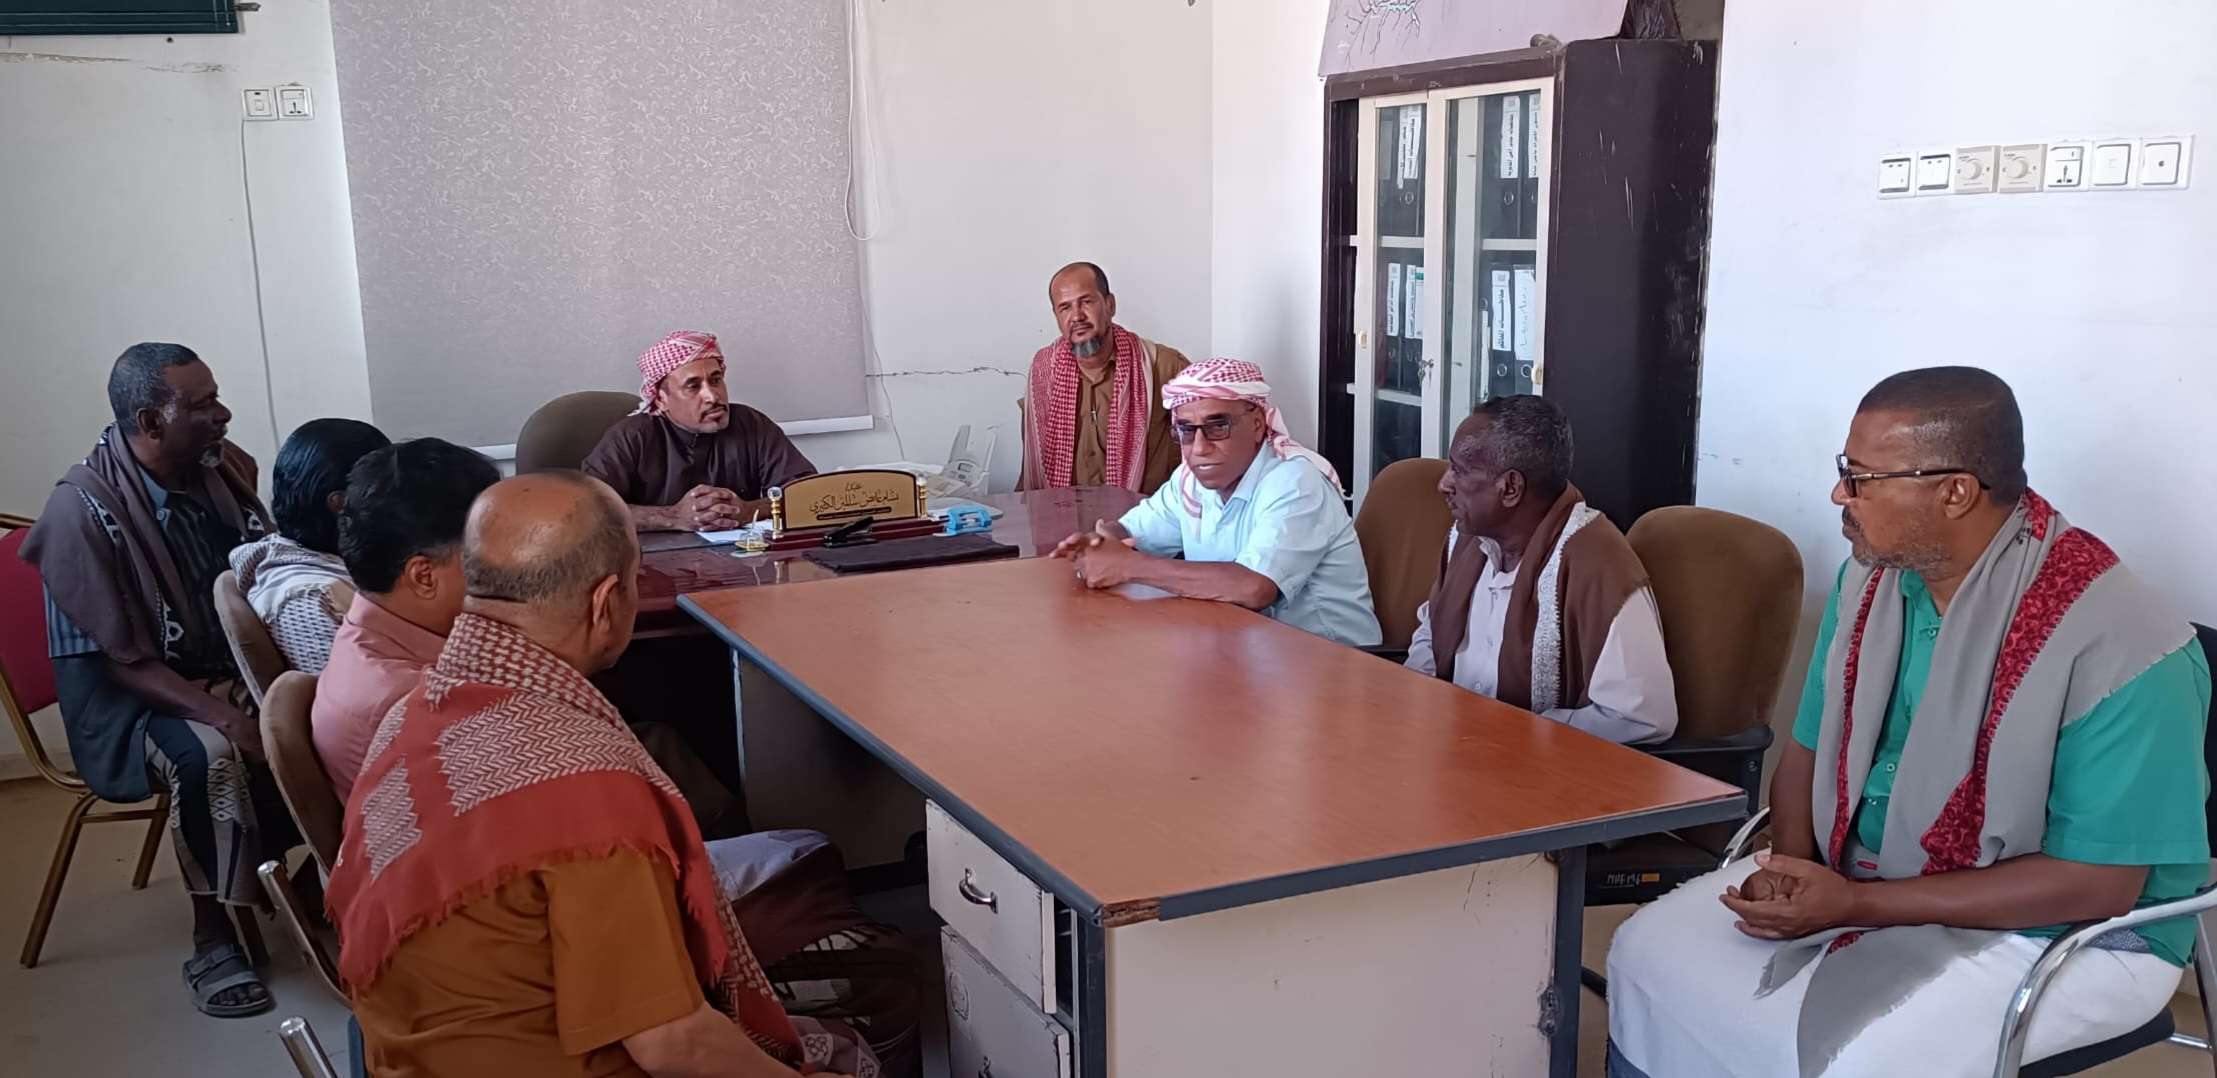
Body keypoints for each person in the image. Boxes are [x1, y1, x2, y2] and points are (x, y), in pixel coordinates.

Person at [1605, 367, 2211, 1077]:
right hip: (1861, 876)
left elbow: (2094, 885)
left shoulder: (2126, 644)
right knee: (1644, 956)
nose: (1839, 495)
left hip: (2078, 933)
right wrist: (1794, 869)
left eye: (1861, 478)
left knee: (1854, 1061)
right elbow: (1807, 752)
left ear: (1954, 492)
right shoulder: (1871, 582)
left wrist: (1855, 903)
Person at [327, 473, 880, 1077]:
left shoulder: (412, 710)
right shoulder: (586, 785)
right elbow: (674, 1045)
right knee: (871, 1007)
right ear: (607, 601)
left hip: (404, 1050)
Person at [19, 342, 298, 1018]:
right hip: (128, 700)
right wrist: (227, 715)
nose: (222, 414)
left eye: (216, 397)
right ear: (150, 421)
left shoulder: (222, 468)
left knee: (327, 709)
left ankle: (310, 877)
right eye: (201, 405)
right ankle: (212, 937)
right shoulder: (79, 513)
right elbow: (121, 661)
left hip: (221, 667)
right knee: (211, 755)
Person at [1405, 396, 1677, 744]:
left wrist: (1515, 732)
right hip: (1449, 746)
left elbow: (1642, 718)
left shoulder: (1597, 565)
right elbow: (1431, 634)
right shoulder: (1467, 538)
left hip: (1535, 764)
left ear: (1510, 488)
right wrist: (1417, 703)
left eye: (1459, 470)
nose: (1443, 484)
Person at [1055, 358, 1381, 648]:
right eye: (1186, 430)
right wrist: (1103, 542)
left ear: (1257, 425)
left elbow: (1255, 587)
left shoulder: (1295, 481)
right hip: (1240, 648)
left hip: (1329, 663)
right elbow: (1132, 530)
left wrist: (1128, 565)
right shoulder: (1190, 479)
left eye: (1217, 427)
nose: (1199, 448)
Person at [311, 437, 499, 801]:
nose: (507, 564)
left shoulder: (369, 629)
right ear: (423, 576)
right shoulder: (414, 702)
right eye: (489, 551)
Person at [583, 330, 816, 533]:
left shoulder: (752, 424)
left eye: (716, 380)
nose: (712, 396)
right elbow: (587, 510)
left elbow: (811, 495)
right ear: (661, 400)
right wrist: (673, 517)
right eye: (693, 386)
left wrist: (748, 510)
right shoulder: (632, 436)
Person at [227, 418, 391, 673]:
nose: (396, 500)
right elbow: (348, 693)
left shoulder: (338, 556)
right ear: (340, 503)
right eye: (385, 489)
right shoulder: (307, 600)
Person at [1018, 261, 1191, 494]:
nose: (1077, 316)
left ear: (1110, 305)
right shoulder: (1042, 373)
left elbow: (1200, 455)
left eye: (1086, 302)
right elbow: (1030, 468)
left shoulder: (1163, 367)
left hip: (1142, 514)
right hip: (1060, 513)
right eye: (1065, 308)